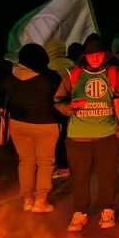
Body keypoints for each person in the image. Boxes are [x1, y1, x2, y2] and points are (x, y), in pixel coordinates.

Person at [54, 33, 119, 231]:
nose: (95, 58)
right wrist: (70, 108)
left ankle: (108, 209)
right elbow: (58, 101)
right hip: (77, 137)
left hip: (107, 135)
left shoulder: (116, 74)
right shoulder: (73, 75)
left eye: (98, 54)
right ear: (85, 56)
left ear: (105, 54)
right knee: (80, 176)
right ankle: (79, 212)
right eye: (91, 55)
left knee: (107, 175)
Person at [6, 44, 62, 212]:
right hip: (46, 124)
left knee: (26, 161)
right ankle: (40, 201)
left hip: (18, 124)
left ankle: (27, 199)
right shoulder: (50, 77)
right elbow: (60, 99)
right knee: (45, 163)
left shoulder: (11, 75)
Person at [44, 38, 75, 179]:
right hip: (73, 104)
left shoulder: (49, 67)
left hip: (57, 106)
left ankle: (63, 166)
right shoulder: (72, 65)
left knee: (58, 138)